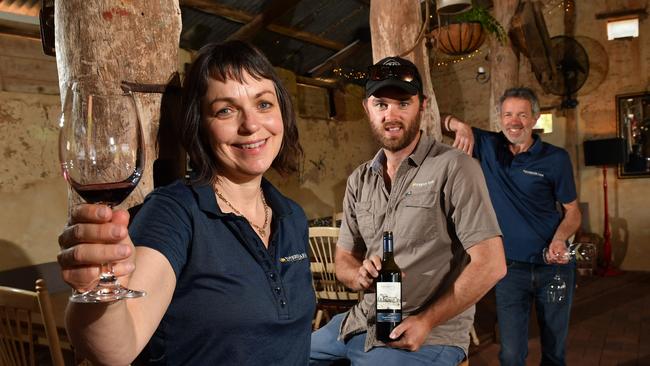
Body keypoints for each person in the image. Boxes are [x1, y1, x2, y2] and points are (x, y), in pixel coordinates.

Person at [56, 41, 315, 365]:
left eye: (263, 104)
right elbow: (117, 349)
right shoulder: (174, 212)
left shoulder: (292, 216)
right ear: (200, 126)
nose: (251, 125)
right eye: (226, 110)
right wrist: (93, 292)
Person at [310, 56, 506, 365]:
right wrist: (359, 276)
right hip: (363, 322)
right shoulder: (360, 179)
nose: (392, 115)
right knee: (286, 354)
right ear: (367, 108)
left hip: (429, 334)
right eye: (381, 104)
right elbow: (344, 260)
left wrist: (426, 321)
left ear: (422, 105)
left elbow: (492, 265)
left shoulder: (455, 168)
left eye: (403, 103)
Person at [444, 87, 582, 365]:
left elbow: (573, 211)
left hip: (553, 268)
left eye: (521, 114)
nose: (513, 121)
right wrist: (459, 125)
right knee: (510, 353)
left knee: (555, 350)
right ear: (500, 118)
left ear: (535, 118)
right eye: (507, 114)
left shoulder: (555, 158)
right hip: (509, 270)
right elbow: (438, 120)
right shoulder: (488, 145)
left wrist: (560, 239)